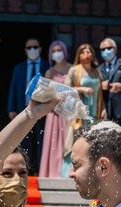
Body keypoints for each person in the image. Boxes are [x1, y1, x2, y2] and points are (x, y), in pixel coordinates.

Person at [61, 44, 106, 176]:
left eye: (89, 52)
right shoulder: (74, 70)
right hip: (79, 112)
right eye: (83, 52)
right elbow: (66, 89)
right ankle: (73, 168)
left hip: (93, 111)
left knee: (92, 140)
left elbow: (100, 93)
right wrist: (82, 89)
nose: (86, 55)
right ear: (79, 55)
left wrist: (103, 109)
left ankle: (89, 169)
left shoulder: (96, 71)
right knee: (77, 138)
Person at [7, 38, 49, 173]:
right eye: (29, 47)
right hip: (23, 109)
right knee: (24, 140)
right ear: (25, 50)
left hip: (42, 110)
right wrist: (11, 108)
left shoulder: (47, 66)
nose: (32, 50)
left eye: (35, 47)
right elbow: (13, 88)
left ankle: (39, 169)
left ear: (40, 49)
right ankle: (26, 169)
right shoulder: (19, 68)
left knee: (40, 139)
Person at [39, 41, 72, 177]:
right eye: (53, 51)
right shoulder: (49, 72)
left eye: (59, 50)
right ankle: (52, 172)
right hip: (54, 113)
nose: (56, 53)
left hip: (69, 112)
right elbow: (45, 94)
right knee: (53, 143)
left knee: (68, 141)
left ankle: (67, 172)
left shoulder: (73, 69)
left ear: (65, 52)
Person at [98, 37, 121, 126]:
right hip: (106, 109)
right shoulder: (98, 69)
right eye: (103, 49)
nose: (106, 51)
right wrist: (100, 85)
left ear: (115, 49)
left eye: (109, 48)